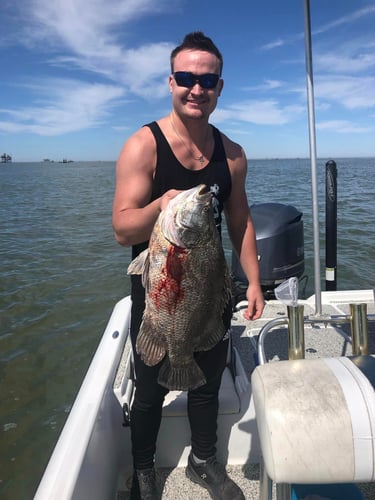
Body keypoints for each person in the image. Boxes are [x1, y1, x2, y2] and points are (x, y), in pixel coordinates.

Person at [112, 31, 264, 500]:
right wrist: (161, 204)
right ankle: (144, 472)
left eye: (207, 80)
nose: (196, 88)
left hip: (211, 288)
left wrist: (255, 281)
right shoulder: (145, 145)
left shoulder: (232, 154)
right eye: (185, 78)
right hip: (160, 293)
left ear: (220, 87)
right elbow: (122, 228)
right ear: (170, 82)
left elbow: (239, 220)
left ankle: (203, 461)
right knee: (152, 388)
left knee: (208, 381)